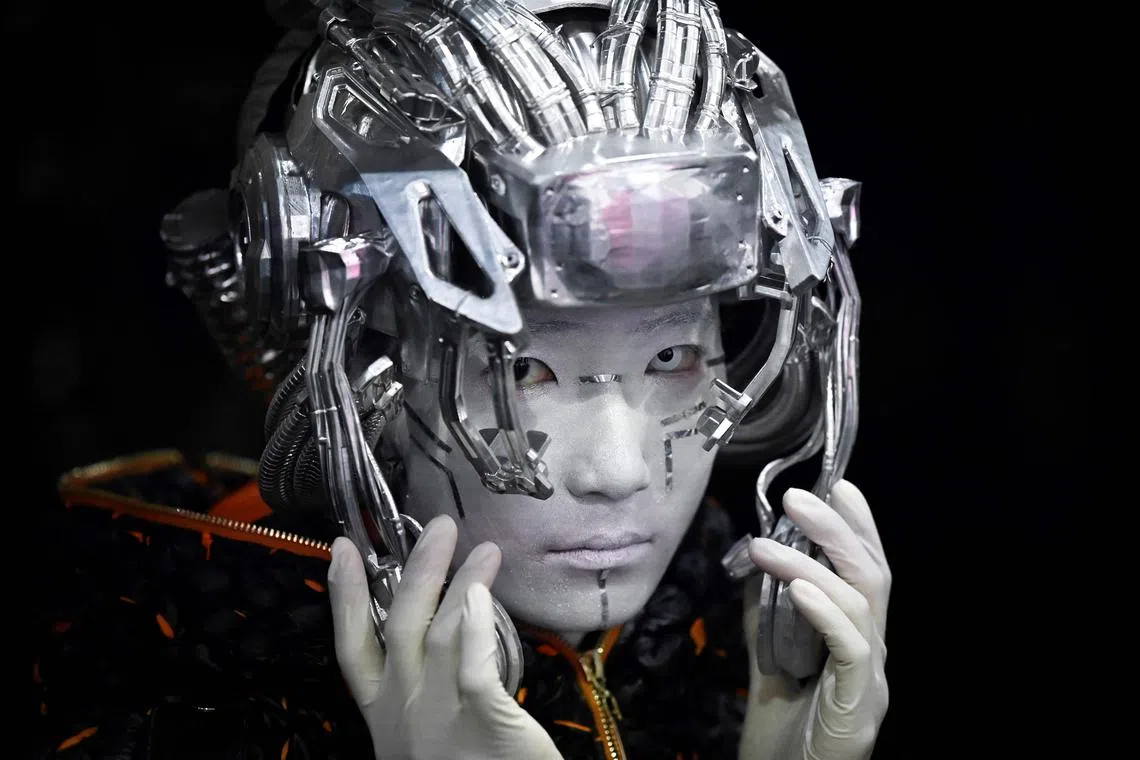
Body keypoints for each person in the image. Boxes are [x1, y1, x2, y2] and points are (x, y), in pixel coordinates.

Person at [33, 1, 889, 758]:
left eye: (670, 359)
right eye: (525, 371)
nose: (618, 471)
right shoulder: (145, 690)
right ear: (365, 369)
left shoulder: (711, 651)